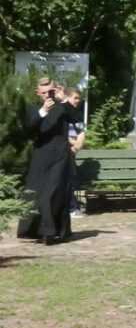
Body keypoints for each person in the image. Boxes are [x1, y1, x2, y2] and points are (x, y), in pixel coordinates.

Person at [25, 78, 80, 245]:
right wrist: (42, 112)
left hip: (60, 157)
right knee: (36, 194)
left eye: (51, 91)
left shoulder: (62, 107)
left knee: (53, 193)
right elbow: (28, 129)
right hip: (41, 156)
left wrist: (63, 99)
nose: (48, 95)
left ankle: (50, 232)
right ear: (38, 93)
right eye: (44, 92)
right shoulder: (32, 108)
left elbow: (75, 118)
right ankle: (36, 230)